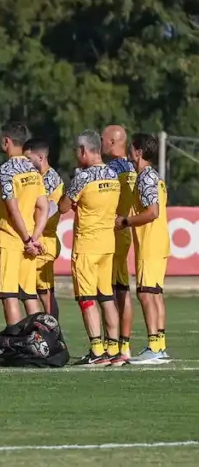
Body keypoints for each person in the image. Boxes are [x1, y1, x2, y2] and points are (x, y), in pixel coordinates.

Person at [58, 129, 122, 366]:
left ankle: (97, 350)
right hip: (107, 244)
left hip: (87, 245)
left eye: (77, 150)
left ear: (84, 150)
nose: (76, 155)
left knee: (86, 299)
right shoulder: (113, 176)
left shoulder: (83, 178)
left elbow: (64, 207)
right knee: (106, 297)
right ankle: (113, 348)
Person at [121, 134, 171, 364]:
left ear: (139, 152)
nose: (129, 152)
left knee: (146, 293)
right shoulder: (156, 177)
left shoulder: (144, 178)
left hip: (150, 243)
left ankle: (153, 346)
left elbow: (153, 212)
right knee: (156, 293)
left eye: (131, 148)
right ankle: (160, 344)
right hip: (159, 241)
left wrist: (125, 221)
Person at [0, 121, 47, 326]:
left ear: (7, 141)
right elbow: (42, 207)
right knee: (29, 295)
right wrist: (35, 237)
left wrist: (26, 238)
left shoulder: (6, 170)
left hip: (10, 238)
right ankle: (39, 339)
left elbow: (12, 208)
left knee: (9, 295)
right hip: (30, 242)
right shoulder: (33, 170)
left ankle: (17, 344)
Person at [103, 125, 135, 359]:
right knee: (122, 289)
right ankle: (124, 345)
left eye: (104, 140)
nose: (101, 144)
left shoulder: (111, 170)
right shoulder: (133, 167)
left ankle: (110, 345)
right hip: (124, 232)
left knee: (107, 292)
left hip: (111, 232)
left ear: (113, 142)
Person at [24, 138, 63, 320]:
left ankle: (52, 332)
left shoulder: (51, 179)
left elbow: (49, 210)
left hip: (44, 241)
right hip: (38, 239)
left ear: (40, 157)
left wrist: (33, 237)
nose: (25, 163)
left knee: (45, 293)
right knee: (37, 291)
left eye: (27, 158)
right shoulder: (39, 177)